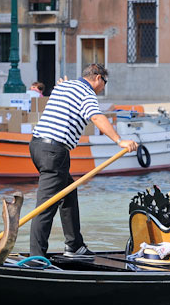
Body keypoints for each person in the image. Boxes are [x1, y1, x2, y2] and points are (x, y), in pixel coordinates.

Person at [29, 64, 138, 258]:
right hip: (54, 151)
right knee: (46, 206)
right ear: (97, 78)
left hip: (37, 147)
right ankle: (36, 257)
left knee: (68, 192)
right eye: (105, 82)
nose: (104, 87)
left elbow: (64, 95)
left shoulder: (64, 86)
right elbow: (96, 117)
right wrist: (120, 140)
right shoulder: (86, 93)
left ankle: (74, 245)